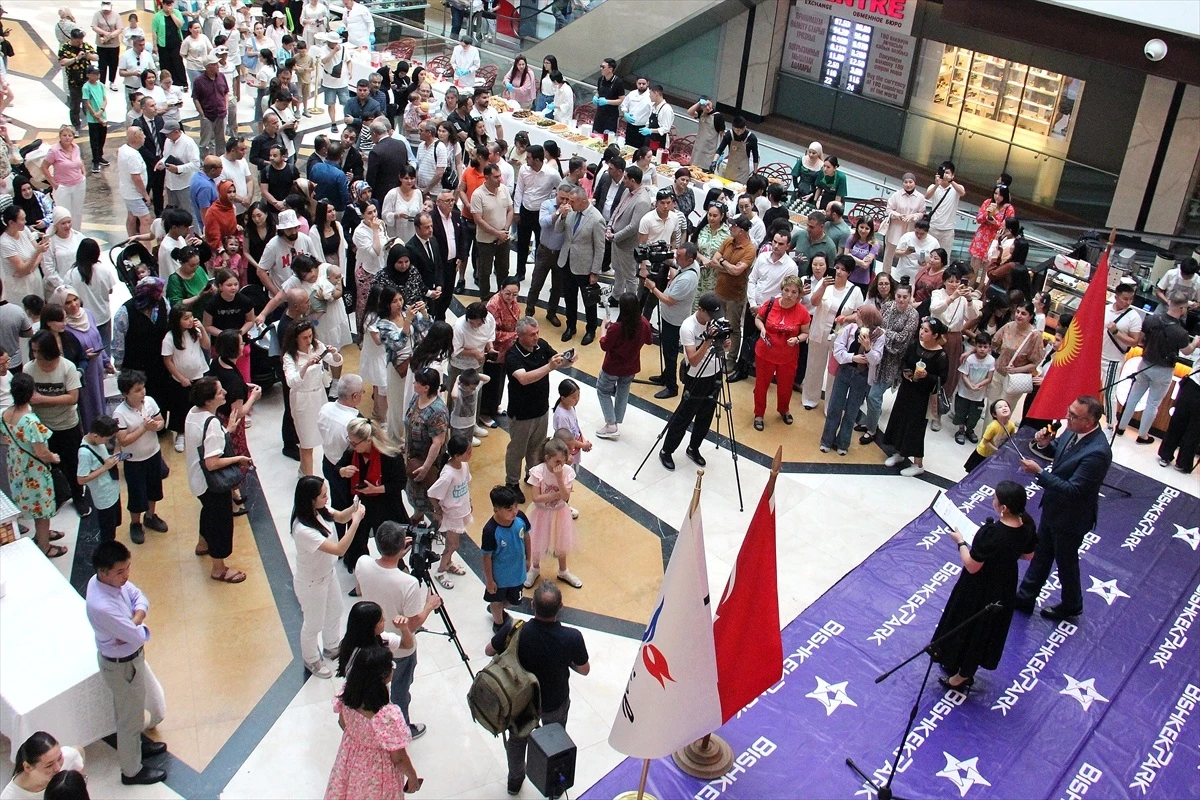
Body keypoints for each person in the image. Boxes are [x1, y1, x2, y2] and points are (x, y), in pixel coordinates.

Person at [1013, 395, 1113, 619]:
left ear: (1089, 422)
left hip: (1072, 518)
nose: (1067, 417)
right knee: (1042, 554)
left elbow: (1074, 490)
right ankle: (1026, 596)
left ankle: (1072, 603)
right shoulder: (1072, 429)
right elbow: (1059, 452)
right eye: (1069, 411)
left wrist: (1039, 472)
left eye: (1074, 416)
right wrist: (1045, 444)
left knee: (1065, 562)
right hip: (1053, 507)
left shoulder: (1097, 452)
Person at [933, 480, 1037, 693]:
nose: (993, 501)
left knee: (968, 625)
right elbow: (1028, 555)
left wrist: (960, 542)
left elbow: (972, 566)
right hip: (1005, 584)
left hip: (978, 588)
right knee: (985, 630)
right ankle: (963, 669)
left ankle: (960, 676)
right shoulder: (1027, 527)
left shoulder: (991, 534)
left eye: (995, 499)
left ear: (1004, 507)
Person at [488, 580, 589, 796]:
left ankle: (515, 781)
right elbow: (584, 669)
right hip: (555, 701)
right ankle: (555, 784)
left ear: (532, 604)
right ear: (561, 607)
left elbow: (489, 650)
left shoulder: (516, 629)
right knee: (556, 741)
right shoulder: (572, 637)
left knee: (517, 740)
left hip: (522, 701)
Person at [84, 540, 168, 786]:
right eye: (120, 571)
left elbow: (138, 595)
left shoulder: (107, 582)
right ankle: (131, 770)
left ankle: (136, 747)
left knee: (134, 708)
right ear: (103, 572)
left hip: (128, 658)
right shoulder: (102, 606)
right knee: (129, 718)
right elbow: (137, 635)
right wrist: (136, 625)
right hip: (122, 665)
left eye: (127, 568)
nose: (126, 576)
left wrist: (134, 618)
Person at [355, 521, 442, 738]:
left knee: (375, 681)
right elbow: (412, 624)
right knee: (400, 689)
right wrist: (429, 606)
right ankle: (402, 727)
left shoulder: (362, 563)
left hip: (371, 639)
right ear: (402, 544)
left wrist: (395, 555)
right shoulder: (408, 583)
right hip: (400, 647)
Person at [290, 475, 366, 678]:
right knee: (313, 623)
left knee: (336, 610)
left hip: (328, 574)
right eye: (323, 496)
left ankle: (332, 646)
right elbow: (340, 549)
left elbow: (340, 516)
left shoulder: (320, 511)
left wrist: (354, 508)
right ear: (310, 499)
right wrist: (356, 522)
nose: (327, 499)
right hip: (311, 583)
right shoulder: (303, 529)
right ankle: (311, 658)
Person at [324, 644, 421, 799]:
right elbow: (399, 758)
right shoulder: (387, 716)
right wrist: (412, 777)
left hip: (350, 759)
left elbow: (343, 722)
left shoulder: (347, 694)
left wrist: (361, 737)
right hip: (378, 771)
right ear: (383, 676)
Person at [185, 376, 251, 583]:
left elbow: (204, 439)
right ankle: (218, 568)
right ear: (209, 400)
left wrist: (227, 431)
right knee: (221, 521)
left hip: (197, 479)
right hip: (212, 483)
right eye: (220, 392)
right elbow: (212, 463)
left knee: (209, 512)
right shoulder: (212, 423)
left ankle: (203, 543)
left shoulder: (193, 413)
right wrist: (239, 458)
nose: (224, 393)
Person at [660, 293, 731, 471]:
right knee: (684, 416)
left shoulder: (715, 320)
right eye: (711, 316)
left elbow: (723, 345)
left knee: (706, 415)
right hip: (696, 376)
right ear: (700, 310)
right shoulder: (688, 327)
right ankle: (667, 451)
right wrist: (707, 340)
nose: (714, 320)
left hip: (715, 373)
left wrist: (724, 344)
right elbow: (693, 360)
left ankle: (694, 448)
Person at [1117, 293, 1199, 443]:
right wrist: (1195, 343)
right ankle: (1142, 435)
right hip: (1164, 371)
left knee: (1133, 396)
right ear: (1181, 308)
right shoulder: (1181, 332)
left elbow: (1141, 339)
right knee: (1152, 403)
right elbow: (1187, 351)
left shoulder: (1151, 319)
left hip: (1144, 363)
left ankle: (1121, 427)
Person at [504, 317, 568, 502]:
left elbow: (557, 360)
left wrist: (566, 360)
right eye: (532, 335)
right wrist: (549, 367)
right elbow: (524, 379)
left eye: (537, 332)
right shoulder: (513, 356)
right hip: (522, 413)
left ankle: (532, 474)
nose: (536, 337)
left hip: (541, 408)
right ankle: (512, 483)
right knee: (517, 451)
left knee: (537, 447)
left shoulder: (541, 345)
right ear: (520, 336)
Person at [1, 373, 64, 557]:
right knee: (42, 510)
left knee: (33, 505)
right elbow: (41, 452)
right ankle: (44, 545)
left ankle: (43, 535)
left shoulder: (5, 414)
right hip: (33, 471)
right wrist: (54, 457)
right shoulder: (31, 421)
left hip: (16, 466)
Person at [27, 330, 86, 511]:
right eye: (33, 351)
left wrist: (42, 400)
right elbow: (29, 397)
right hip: (42, 428)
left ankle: (78, 497)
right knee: (48, 466)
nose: (35, 355)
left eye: (38, 351)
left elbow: (72, 398)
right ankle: (59, 495)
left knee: (72, 464)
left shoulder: (67, 367)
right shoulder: (29, 369)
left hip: (67, 425)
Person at [339, 417, 408, 573]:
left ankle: (398, 570)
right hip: (359, 503)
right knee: (357, 539)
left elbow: (400, 482)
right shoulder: (352, 452)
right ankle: (361, 571)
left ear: (368, 441)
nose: (351, 445)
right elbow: (339, 466)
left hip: (384, 506)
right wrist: (342, 471)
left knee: (387, 541)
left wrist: (376, 489)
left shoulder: (390, 456)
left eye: (354, 443)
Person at [882, 318, 948, 477]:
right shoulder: (914, 345)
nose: (921, 333)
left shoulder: (941, 355)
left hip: (922, 396)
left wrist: (926, 376)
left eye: (926, 331)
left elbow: (942, 378)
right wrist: (908, 373)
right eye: (921, 329)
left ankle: (918, 464)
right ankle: (899, 452)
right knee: (900, 419)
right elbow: (905, 362)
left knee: (916, 428)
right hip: (907, 389)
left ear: (935, 335)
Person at [113, 370, 170, 544]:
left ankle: (151, 516)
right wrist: (144, 428)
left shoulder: (150, 402)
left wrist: (156, 426)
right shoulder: (119, 414)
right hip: (134, 460)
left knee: (154, 487)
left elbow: (161, 422)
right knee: (137, 493)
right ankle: (136, 523)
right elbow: (124, 440)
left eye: (143, 388)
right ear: (125, 393)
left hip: (153, 453)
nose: (142, 392)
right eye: (137, 390)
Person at [821, 304, 884, 455]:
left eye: (860, 316)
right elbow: (838, 348)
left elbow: (876, 359)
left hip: (861, 376)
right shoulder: (849, 328)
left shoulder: (880, 335)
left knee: (852, 410)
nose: (857, 318)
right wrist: (852, 357)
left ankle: (843, 443)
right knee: (835, 406)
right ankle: (826, 440)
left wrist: (868, 348)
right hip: (845, 371)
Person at [282, 319, 342, 476]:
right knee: (306, 440)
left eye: (310, 336)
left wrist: (334, 353)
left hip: (319, 395)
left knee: (320, 435)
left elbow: (335, 362)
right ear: (296, 339)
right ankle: (309, 479)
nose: (309, 341)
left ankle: (303, 469)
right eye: (305, 338)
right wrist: (306, 365)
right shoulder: (289, 357)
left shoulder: (316, 345)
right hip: (302, 399)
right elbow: (291, 382)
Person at [802, 255, 863, 409]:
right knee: (814, 366)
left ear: (849, 273)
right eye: (837, 268)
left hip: (839, 335)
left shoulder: (855, 291)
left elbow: (859, 313)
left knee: (833, 371)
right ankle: (810, 399)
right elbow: (814, 302)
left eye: (843, 270)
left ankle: (831, 405)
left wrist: (846, 318)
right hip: (818, 331)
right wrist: (822, 286)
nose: (839, 272)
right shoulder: (825, 284)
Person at [752, 275, 811, 431]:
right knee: (761, 385)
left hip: (788, 356)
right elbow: (758, 318)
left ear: (799, 294)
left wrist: (797, 339)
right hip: (765, 352)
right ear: (782, 289)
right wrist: (762, 328)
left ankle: (784, 409)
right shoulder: (771, 303)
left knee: (785, 386)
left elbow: (806, 332)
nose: (789, 295)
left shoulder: (802, 311)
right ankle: (759, 413)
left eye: (794, 292)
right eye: (786, 290)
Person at [594, 292, 653, 438]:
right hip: (631, 366)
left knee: (603, 391)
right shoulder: (644, 322)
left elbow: (604, 345)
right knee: (623, 391)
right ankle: (617, 419)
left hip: (612, 367)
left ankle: (611, 424)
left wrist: (603, 328)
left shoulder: (616, 328)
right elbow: (649, 340)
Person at [481, 483, 532, 632]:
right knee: (496, 599)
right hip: (500, 578)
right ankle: (498, 623)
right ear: (496, 509)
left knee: (514, 601)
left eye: (515, 507)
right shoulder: (490, 530)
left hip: (518, 573)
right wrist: (490, 581)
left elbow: (527, 536)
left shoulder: (521, 518)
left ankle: (495, 608)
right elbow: (486, 557)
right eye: (509, 509)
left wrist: (529, 558)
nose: (514, 511)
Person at [428, 433, 473, 588]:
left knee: (454, 544)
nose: (470, 454)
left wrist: (469, 501)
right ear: (456, 455)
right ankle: (441, 569)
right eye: (467, 452)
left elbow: (466, 484)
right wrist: (438, 510)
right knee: (452, 545)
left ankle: (448, 563)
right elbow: (432, 493)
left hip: (462, 510)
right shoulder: (447, 474)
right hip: (452, 514)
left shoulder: (464, 466)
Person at [404, 367, 448, 524]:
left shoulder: (437, 411)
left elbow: (438, 442)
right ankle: (418, 514)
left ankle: (437, 518)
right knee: (414, 490)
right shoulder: (416, 398)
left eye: (417, 382)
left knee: (429, 491)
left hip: (428, 461)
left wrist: (426, 467)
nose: (414, 384)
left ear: (426, 387)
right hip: (413, 456)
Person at [77, 415, 122, 543]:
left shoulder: (98, 442)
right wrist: (105, 467)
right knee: (107, 532)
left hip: (112, 489)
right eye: (107, 439)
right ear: (96, 436)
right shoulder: (84, 453)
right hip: (103, 497)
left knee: (114, 524)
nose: (107, 442)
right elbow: (81, 479)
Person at [2, 732, 86, 800]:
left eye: (60, 758)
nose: (58, 768)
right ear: (28, 767)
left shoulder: (68, 757)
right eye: (49, 765)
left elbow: (78, 750)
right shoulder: (10, 796)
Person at [953, 332, 995, 446]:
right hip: (964, 393)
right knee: (961, 412)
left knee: (974, 415)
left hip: (979, 395)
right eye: (979, 346)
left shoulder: (991, 360)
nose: (982, 349)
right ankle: (961, 429)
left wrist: (980, 385)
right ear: (975, 346)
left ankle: (969, 430)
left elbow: (989, 378)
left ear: (989, 347)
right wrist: (970, 385)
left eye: (985, 347)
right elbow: (964, 375)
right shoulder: (970, 359)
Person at [43, 126, 87, 229]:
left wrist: (83, 172)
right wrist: (53, 183)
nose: (67, 138)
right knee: (64, 213)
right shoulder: (54, 151)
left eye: (70, 135)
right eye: (64, 135)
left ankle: (77, 232)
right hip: (63, 186)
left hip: (79, 183)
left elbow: (79, 161)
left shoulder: (76, 147)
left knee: (77, 212)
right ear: (60, 136)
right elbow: (44, 167)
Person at [968, 185, 1014, 285]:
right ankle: (970, 285)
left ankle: (981, 288)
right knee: (975, 262)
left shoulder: (1008, 208)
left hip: (995, 237)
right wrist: (987, 215)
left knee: (988, 264)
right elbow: (978, 218)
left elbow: (1008, 226)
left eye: (1000, 195)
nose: (997, 196)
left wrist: (995, 222)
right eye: (996, 193)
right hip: (982, 234)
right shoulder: (988, 202)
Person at [881, 173, 926, 274]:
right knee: (889, 254)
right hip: (895, 228)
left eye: (910, 182)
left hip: (911, 228)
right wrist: (898, 215)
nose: (908, 184)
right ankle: (885, 274)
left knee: (908, 254)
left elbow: (922, 213)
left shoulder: (920, 197)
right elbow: (888, 210)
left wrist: (913, 216)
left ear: (915, 183)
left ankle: (903, 275)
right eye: (906, 182)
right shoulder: (896, 195)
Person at [963, 399, 1016, 473]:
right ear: (994, 414)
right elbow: (985, 441)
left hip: (995, 454)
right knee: (974, 471)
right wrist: (997, 450)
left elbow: (1011, 438)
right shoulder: (993, 426)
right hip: (983, 453)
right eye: (1000, 407)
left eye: (1006, 406)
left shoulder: (1011, 425)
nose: (1004, 408)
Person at [926, 161, 966, 252]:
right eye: (943, 173)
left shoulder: (956, 188)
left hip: (948, 230)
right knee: (929, 254)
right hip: (933, 227)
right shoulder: (933, 187)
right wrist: (937, 184)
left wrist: (951, 181)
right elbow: (927, 196)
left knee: (945, 257)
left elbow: (962, 193)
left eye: (947, 173)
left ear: (952, 175)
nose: (944, 175)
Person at [713, 116, 759, 183]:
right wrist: (714, 161)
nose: (738, 132)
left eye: (741, 130)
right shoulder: (729, 135)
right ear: (733, 127)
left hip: (743, 169)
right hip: (731, 167)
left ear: (745, 128)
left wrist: (755, 172)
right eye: (737, 130)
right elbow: (720, 149)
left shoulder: (751, 138)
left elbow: (755, 156)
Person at [592, 57, 624, 138]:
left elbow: (621, 100)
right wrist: (596, 96)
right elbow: (599, 91)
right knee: (595, 137)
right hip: (600, 113)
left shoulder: (618, 82)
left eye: (603, 67)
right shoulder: (601, 79)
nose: (601, 69)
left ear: (610, 69)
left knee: (607, 139)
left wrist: (607, 101)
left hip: (611, 116)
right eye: (601, 66)